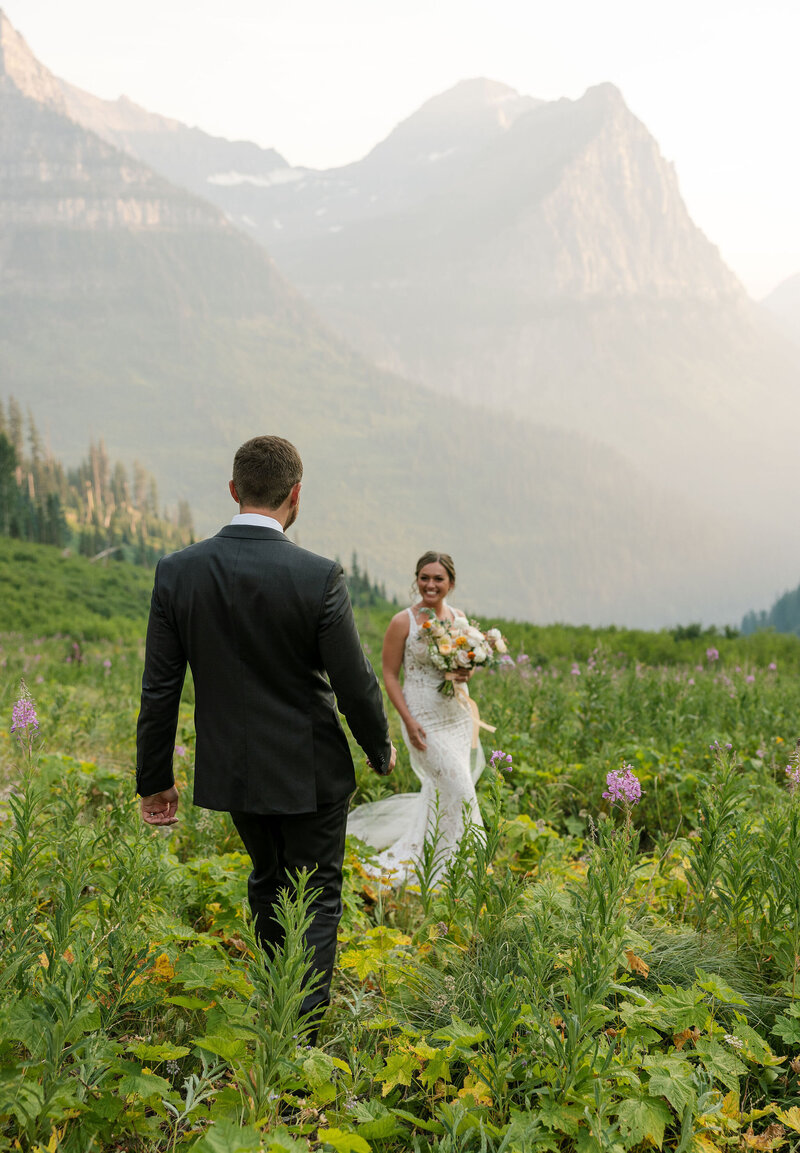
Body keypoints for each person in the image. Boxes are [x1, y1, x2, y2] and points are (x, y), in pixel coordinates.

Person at [136, 435, 396, 1039]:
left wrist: (155, 779)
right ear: (296, 495)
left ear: (233, 490)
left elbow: (159, 687)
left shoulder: (178, 572)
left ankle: (275, 993)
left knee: (268, 876)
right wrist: (377, 745)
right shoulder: (317, 575)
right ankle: (297, 1030)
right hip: (311, 768)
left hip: (235, 770)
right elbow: (354, 681)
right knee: (318, 890)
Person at [347, 551, 483, 883]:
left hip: (457, 717)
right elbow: (390, 676)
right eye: (425, 577)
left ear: (451, 582)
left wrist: (466, 673)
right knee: (462, 789)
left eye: (438, 579)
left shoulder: (458, 618)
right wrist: (407, 721)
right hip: (422, 719)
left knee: (443, 793)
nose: (430, 585)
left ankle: (437, 858)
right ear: (416, 579)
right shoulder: (402, 621)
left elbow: (462, 665)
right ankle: (458, 867)